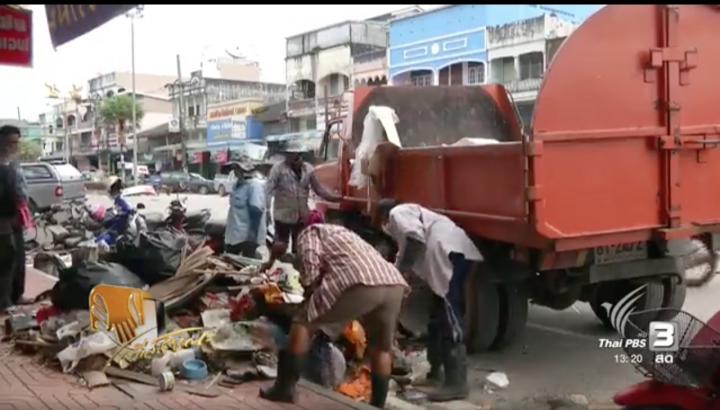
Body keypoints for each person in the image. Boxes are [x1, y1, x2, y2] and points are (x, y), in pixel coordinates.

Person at [259, 222, 408, 409]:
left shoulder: (309, 233)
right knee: (381, 348)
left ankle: (284, 389)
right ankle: (376, 406)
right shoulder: (344, 233)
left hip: (359, 280)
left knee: (303, 322)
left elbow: (311, 270)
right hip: (393, 283)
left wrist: (305, 291)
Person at [376, 199, 484, 402]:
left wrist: (402, 274)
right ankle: (436, 373)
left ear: (383, 215)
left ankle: (457, 383)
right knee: (436, 314)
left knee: (449, 314)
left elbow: (416, 241)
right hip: (447, 252)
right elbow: (405, 252)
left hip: (449, 254)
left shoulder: (397, 213)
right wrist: (398, 276)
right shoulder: (409, 218)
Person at [265, 140, 340, 254]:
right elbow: (268, 190)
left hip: (301, 216)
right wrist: (266, 209)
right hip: (283, 215)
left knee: (300, 246)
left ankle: (297, 269)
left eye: (293, 154)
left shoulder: (308, 169)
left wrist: (334, 197)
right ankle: (276, 266)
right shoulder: (278, 169)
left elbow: (318, 189)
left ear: (299, 154)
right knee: (280, 246)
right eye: (288, 154)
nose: (290, 156)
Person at [0, 125, 22, 313]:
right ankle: (4, 303)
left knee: (12, 257)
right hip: (3, 220)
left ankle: (11, 298)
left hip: (11, 217)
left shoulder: (11, 163)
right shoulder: (2, 165)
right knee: (7, 258)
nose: (11, 146)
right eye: (8, 142)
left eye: (15, 142)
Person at [224, 157, 266, 258]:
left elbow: (256, 211)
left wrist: (251, 236)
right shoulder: (237, 185)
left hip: (246, 237)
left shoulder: (254, 185)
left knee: (246, 267)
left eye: (237, 169)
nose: (235, 172)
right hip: (233, 234)